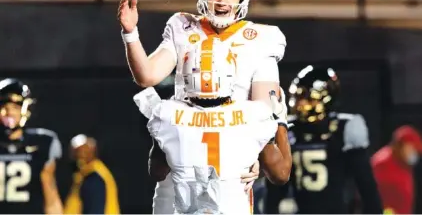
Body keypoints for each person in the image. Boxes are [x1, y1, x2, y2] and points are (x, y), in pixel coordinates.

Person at [118, 0, 291, 214]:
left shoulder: (261, 39)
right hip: (183, 150)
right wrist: (131, 34)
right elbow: (147, 76)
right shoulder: (183, 26)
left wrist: (254, 154)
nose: (222, 1)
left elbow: (265, 110)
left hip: (230, 159)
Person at [143, 37, 285, 213]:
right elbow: (280, 174)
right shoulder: (255, 114)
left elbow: (157, 172)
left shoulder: (166, 114)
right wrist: (281, 121)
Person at [265, 65, 383, 214]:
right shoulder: (289, 130)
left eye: (307, 98)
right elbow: (275, 189)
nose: (301, 104)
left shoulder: (343, 128)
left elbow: (366, 186)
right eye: (299, 97)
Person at [0, 78, 63, 214]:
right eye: (4, 107)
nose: (9, 113)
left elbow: (51, 197)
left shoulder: (41, 143)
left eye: (15, 107)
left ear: (25, 109)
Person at [371, 125, 422, 214]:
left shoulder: (404, 163)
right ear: (401, 145)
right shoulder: (382, 163)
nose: (414, 154)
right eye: (412, 149)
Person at [64, 134, 120, 214]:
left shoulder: (95, 177)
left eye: (83, 150)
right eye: (76, 151)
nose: (80, 154)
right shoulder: (84, 175)